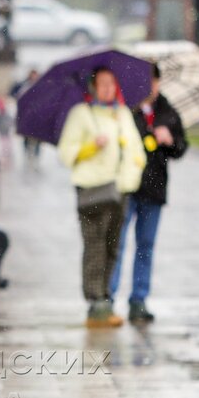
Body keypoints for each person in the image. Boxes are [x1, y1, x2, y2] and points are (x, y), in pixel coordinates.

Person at [57, 66, 147, 328]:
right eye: (102, 84)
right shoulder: (81, 114)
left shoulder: (122, 114)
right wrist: (90, 147)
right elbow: (66, 154)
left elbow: (136, 149)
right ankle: (95, 300)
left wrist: (133, 168)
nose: (108, 89)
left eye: (111, 83)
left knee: (112, 246)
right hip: (92, 189)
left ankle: (106, 298)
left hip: (121, 190)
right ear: (93, 87)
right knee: (95, 245)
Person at [109, 64, 188, 324]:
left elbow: (181, 147)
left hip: (154, 188)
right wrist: (146, 134)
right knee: (117, 244)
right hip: (127, 186)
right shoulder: (125, 110)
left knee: (146, 245)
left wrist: (170, 140)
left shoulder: (167, 111)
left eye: (153, 81)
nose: (149, 87)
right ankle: (109, 298)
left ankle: (139, 299)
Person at [12, 69, 42, 164]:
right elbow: (19, 98)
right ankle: (28, 157)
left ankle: (35, 158)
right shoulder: (24, 86)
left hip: (37, 117)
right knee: (26, 137)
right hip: (27, 116)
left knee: (38, 138)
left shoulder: (41, 86)